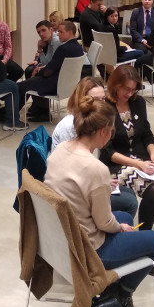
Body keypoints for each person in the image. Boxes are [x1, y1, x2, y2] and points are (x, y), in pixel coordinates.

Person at [45, 96, 154, 307]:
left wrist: (118, 224)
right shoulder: (95, 168)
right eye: (112, 130)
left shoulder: (60, 149)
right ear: (103, 132)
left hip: (59, 239)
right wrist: (119, 227)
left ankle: (113, 291)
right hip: (88, 249)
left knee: (124, 216)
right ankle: (123, 294)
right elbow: (103, 223)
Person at [100, 65, 154, 278]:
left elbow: (147, 135)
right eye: (126, 89)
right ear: (115, 85)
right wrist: (138, 165)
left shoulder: (138, 103)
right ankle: (146, 244)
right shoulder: (105, 107)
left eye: (133, 89)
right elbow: (107, 150)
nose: (130, 93)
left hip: (142, 160)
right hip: (117, 164)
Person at [50, 75, 138, 218]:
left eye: (103, 99)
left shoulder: (90, 122)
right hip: (71, 192)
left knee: (128, 193)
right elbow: (71, 170)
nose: (101, 103)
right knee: (129, 202)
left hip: (82, 182)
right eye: (96, 99)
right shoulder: (70, 125)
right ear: (83, 99)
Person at [19, 21, 87, 123]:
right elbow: (54, 65)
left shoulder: (63, 48)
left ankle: (9, 114)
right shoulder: (77, 47)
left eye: (61, 32)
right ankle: (41, 111)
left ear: (70, 33)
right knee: (29, 81)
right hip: (67, 84)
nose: (58, 34)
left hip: (55, 84)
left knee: (20, 86)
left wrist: (39, 70)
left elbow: (48, 71)